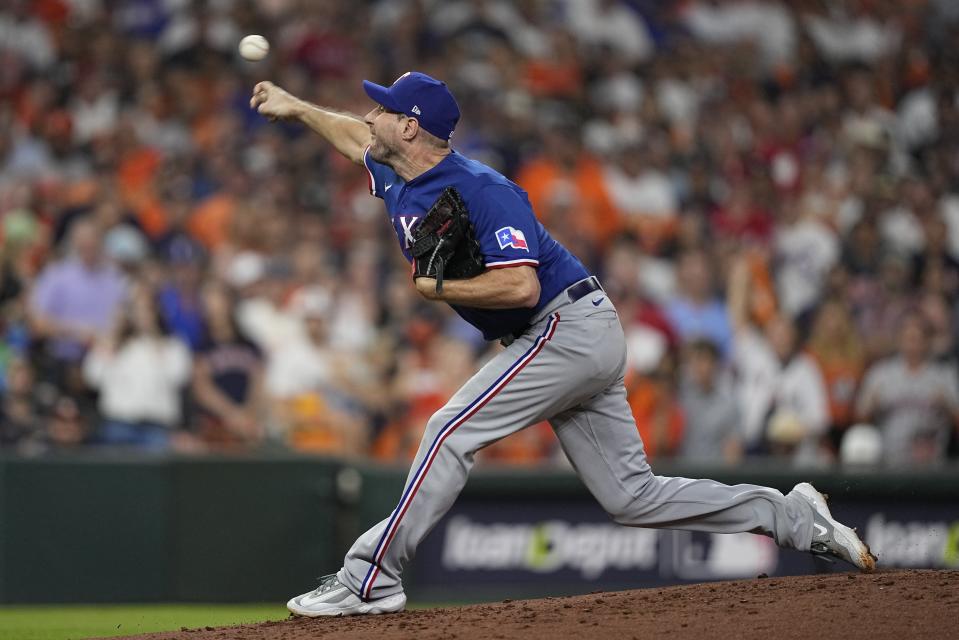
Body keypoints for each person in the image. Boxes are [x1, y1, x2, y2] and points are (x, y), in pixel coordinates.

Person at [250, 71, 875, 617]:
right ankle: (792, 517)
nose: (370, 115)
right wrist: (297, 107)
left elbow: (521, 286)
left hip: (563, 323)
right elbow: (351, 136)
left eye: (384, 109)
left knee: (448, 429)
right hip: (567, 335)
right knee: (631, 496)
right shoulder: (392, 168)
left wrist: (440, 288)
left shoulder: (482, 189)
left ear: (411, 128)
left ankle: (369, 577)